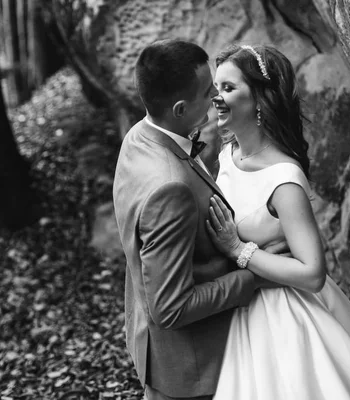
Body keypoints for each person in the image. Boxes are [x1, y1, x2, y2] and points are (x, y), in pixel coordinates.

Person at [206, 44, 350, 400]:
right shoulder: (228, 156)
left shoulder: (283, 178)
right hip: (242, 307)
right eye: (216, 89)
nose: (217, 98)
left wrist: (240, 250)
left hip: (288, 315)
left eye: (229, 88)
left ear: (259, 98)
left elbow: (312, 273)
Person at [113, 39, 278, 400]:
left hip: (159, 351)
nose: (216, 97)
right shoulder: (169, 189)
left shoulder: (139, 137)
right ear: (179, 108)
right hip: (193, 369)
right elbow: (170, 308)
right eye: (208, 91)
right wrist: (253, 275)